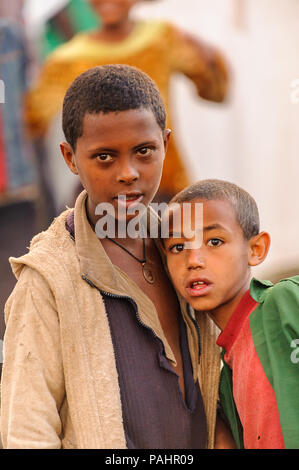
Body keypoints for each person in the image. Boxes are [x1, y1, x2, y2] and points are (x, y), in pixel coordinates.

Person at [1, 65, 229, 449]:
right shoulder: (49, 279)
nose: (128, 173)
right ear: (70, 158)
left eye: (144, 151)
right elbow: (26, 431)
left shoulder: (189, 248)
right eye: (104, 157)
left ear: (165, 144)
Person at [25, 0, 229, 206]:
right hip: (106, 195)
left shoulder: (161, 39)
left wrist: (207, 56)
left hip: (164, 184)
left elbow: (215, 91)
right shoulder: (67, 60)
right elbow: (33, 120)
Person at [162, 178, 299, 449]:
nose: (193, 261)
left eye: (214, 241)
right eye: (178, 247)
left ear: (255, 249)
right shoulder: (226, 377)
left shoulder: (282, 302)